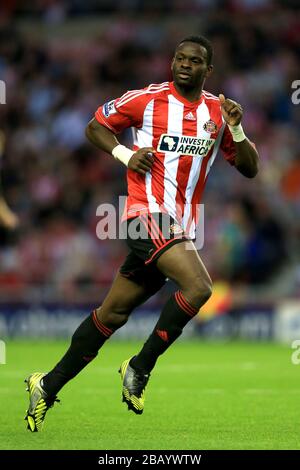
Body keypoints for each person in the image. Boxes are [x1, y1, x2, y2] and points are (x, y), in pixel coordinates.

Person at [25, 35, 259, 432]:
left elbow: (250, 168)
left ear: (209, 70)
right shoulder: (146, 100)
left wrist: (236, 131)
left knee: (112, 314)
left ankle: (45, 385)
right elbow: (95, 126)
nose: (186, 64)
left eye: (195, 60)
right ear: (172, 62)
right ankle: (139, 366)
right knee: (200, 287)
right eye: (180, 58)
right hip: (141, 215)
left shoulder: (219, 114)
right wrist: (125, 154)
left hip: (178, 228)